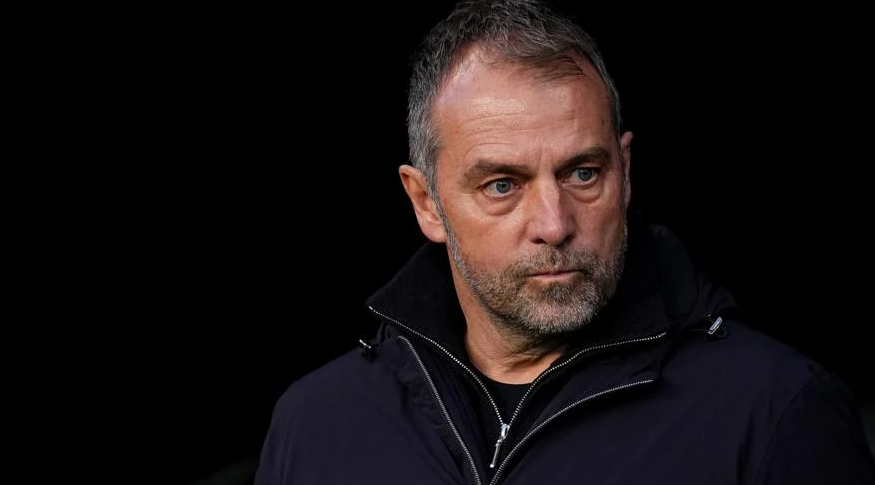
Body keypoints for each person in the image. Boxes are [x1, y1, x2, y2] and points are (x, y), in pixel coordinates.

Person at [254, 1, 875, 483]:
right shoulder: (318, 423)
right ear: (426, 203)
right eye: (502, 185)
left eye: (583, 174)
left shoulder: (773, 410)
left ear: (624, 171)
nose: (554, 224)